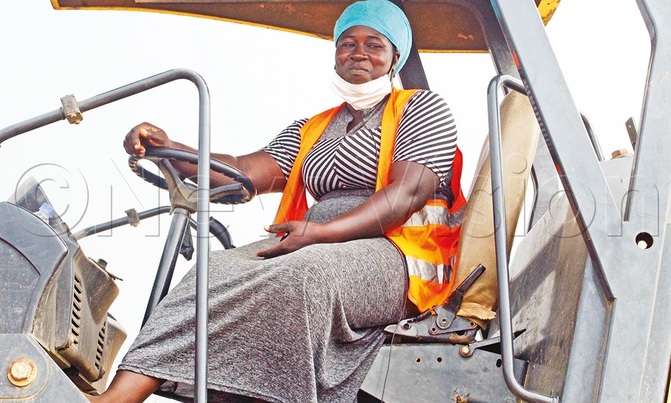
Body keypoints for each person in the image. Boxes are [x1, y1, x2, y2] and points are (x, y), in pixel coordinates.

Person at [88, 0, 465, 401]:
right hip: (315, 242)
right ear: (335, 55)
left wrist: (323, 233)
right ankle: (119, 397)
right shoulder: (315, 128)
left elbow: (406, 195)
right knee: (212, 270)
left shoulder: (423, 108)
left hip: (398, 255)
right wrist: (170, 147)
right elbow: (243, 170)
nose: (359, 52)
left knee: (304, 274)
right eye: (348, 43)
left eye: (374, 44)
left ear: (394, 58)